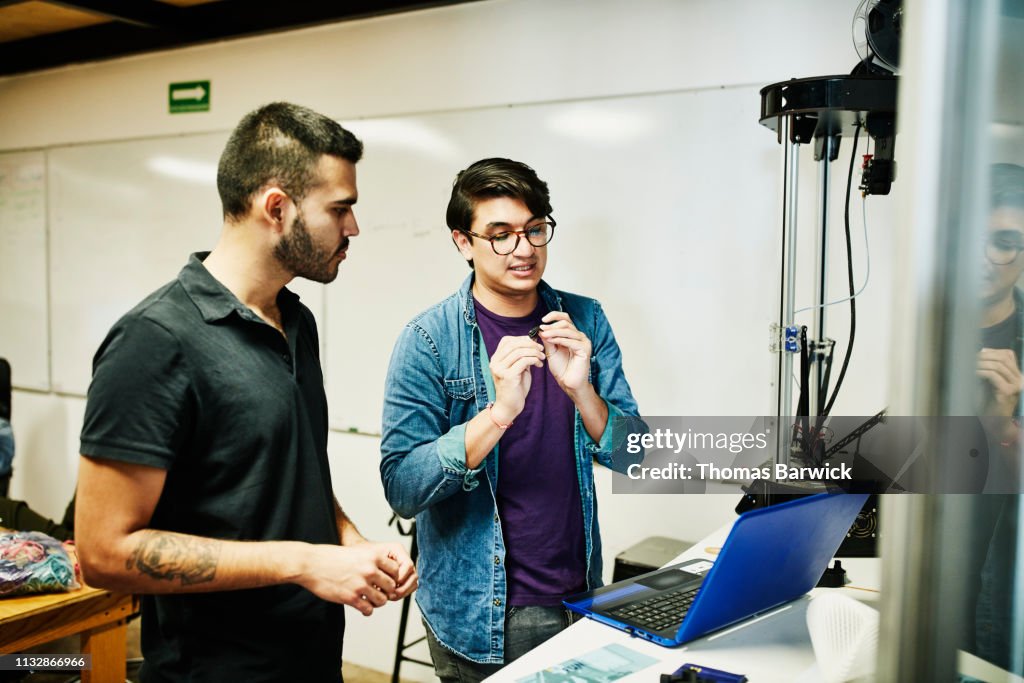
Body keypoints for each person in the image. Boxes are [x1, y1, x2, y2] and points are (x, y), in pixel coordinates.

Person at [74, 102, 416, 683]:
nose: (353, 228)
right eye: (341, 209)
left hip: (309, 661)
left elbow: (288, 470)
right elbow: (104, 553)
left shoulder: (295, 321)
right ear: (276, 208)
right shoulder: (155, 339)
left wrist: (347, 540)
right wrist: (304, 562)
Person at [380, 158, 641, 679]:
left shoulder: (584, 319)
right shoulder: (429, 339)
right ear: (463, 242)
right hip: (480, 612)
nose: (523, 250)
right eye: (500, 235)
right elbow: (403, 488)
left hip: (579, 596)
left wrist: (582, 391)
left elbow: (640, 455)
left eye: (534, 230)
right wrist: (499, 414)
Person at [971, 162, 1024, 672]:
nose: (987, 258)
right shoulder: (923, 336)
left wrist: (1001, 421)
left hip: (1004, 588)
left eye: (1005, 242)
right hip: (923, 575)